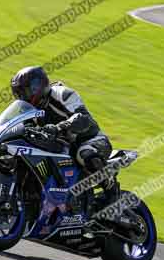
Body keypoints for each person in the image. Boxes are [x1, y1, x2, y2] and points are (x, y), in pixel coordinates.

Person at [10, 66, 117, 203]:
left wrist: (59, 128)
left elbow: (82, 117)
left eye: (25, 91)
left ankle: (112, 191)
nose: (23, 96)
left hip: (91, 140)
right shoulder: (28, 109)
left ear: (39, 86)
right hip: (62, 147)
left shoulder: (62, 94)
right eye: (19, 94)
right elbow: (19, 126)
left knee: (84, 153)